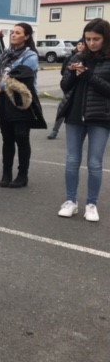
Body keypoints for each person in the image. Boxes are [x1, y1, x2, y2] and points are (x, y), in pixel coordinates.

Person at [57, 18, 110, 222]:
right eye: (88, 39)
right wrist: (72, 74)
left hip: (100, 117)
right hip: (74, 115)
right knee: (72, 160)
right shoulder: (77, 56)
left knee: (95, 163)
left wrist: (88, 76)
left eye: (96, 39)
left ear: (105, 38)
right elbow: (65, 86)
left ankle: (91, 204)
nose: (91, 43)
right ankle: (71, 201)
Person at [0, 23, 46, 188]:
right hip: (4, 101)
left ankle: (22, 175)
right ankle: (6, 173)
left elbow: (18, 78)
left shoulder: (30, 56)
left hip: (21, 101)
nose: (13, 35)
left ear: (27, 36)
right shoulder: (6, 54)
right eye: (13, 32)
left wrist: (0, 86)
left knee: (21, 138)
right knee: (7, 139)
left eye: (18, 32)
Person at [47, 39, 85, 139]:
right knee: (62, 108)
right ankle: (55, 130)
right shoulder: (71, 57)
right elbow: (63, 71)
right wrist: (70, 72)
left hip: (81, 89)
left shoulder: (88, 59)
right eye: (79, 44)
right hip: (69, 88)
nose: (81, 46)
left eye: (83, 44)